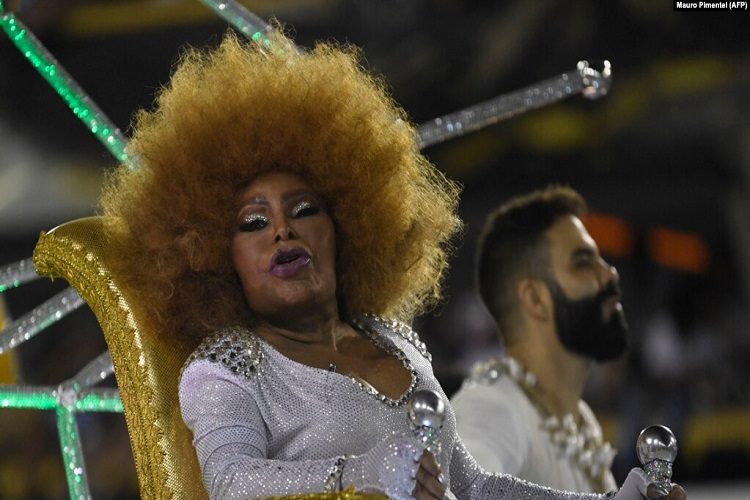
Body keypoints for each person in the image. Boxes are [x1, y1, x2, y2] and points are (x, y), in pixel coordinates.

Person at [99, 31, 685, 500]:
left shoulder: (397, 342)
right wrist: (360, 474)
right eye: (253, 222)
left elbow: (471, 488)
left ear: (348, 225)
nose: (282, 230)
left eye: (304, 210)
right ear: (213, 255)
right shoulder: (226, 368)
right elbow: (231, 484)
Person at [451, 186, 631, 493]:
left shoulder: (580, 422)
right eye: (583, 262)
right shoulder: (493, 407)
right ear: (535, 299)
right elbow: (462, 493)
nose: (609, 273)